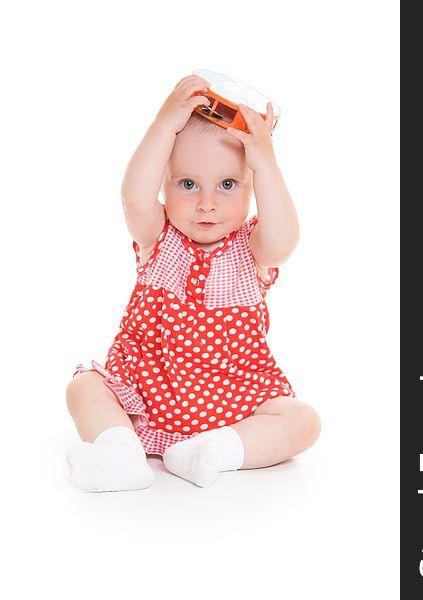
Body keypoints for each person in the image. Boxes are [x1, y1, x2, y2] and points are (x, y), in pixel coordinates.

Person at [65, 73, 321, 492]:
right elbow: (134, 197)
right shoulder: (158, 236)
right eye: (188, 184)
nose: (207, 203)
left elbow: (286, 238)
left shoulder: (254, 247)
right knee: (83, 387)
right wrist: (163, 126)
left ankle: (215, 451)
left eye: (227, 184)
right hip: (147, 391)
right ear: (166, 184)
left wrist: (266, 163)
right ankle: (120, 453)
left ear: (252, 186)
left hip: (235, 398)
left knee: (303, 422)